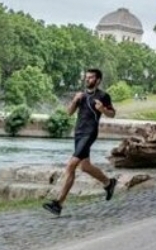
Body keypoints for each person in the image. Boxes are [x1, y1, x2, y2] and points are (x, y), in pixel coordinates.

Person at [43, 68, 117, 216]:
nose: (87, 80)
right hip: (78, 133)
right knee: (85, 166)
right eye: (86, 77)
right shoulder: (81, 96)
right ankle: (109, 183)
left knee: (71, 165)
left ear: (98, 80)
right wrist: (74, 100)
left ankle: (59, 203)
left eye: (90, 78)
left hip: (89, 133)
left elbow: (112, 114)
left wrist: (102, 109)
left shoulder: (103, 96)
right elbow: (69, 113)